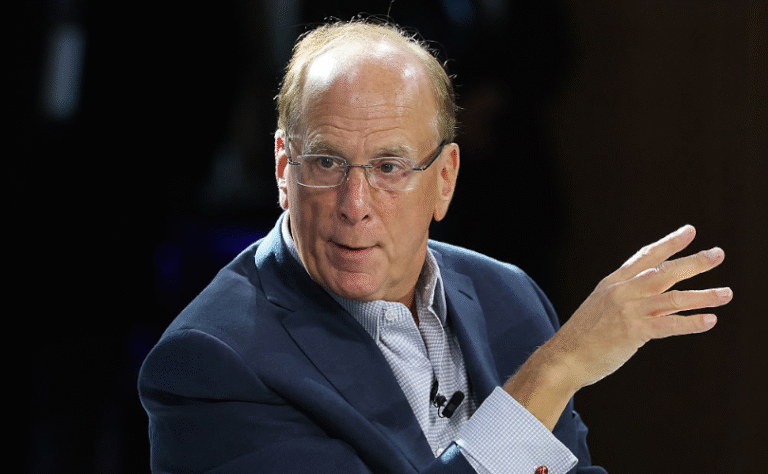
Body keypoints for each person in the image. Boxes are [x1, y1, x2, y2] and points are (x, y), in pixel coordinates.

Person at [138, 20, 732, 474]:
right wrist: (553, 373)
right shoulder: (212, 362)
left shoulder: (510, 297)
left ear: (444, 179)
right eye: (325, 162)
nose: (355, 203)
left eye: (389, 167)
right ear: (282, 167)